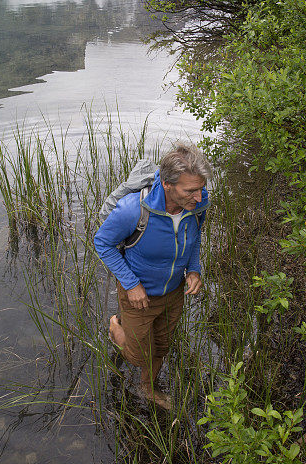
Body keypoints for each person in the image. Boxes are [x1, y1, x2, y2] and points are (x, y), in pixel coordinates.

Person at [94, 143, 212, 409]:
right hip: (139, 294)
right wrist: (132, 284)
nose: (199, 196)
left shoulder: (198, 203)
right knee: (138, 356)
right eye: (190, 190)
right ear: (167, 184)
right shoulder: (133, 210)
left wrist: (194, 269)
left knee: (161, 345)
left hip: (173, 291)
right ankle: (116, 325)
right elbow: (102, 243)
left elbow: (194, 238)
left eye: (201, 188)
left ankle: (147, 387)